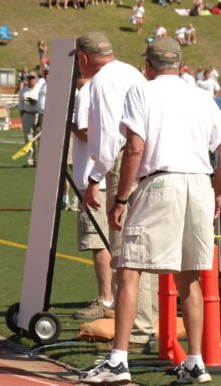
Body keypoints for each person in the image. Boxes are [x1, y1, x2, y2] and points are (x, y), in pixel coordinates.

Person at [81, 38, 221, 384]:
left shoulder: (143, 91)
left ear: (148, 66)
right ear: (181, 66)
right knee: (190, 276)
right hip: (198, 182)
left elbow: (135, 147)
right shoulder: (201, 96)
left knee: (130, 270)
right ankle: (196, 362)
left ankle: (118, 360)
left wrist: (120, 199)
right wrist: (214, 193)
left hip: (161, 182)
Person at [76, 32, 158, 352]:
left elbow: (111, 136)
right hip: (145, 159)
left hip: (124, 161)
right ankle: (145, 322)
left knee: (124, 250)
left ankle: (136, 328)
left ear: (84, 58)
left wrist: (95, 178)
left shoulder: (101, 83)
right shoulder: (130, 72)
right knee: (140, 248)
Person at [71, 76, 114, 321]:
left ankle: (106, 298)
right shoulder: (117, 83)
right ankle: (115, 297)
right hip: (113, 176)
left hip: (95, 178)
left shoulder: (88, 89)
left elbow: (87, 132)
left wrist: (69, 126)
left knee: (99, 240)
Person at [18, 73, 40, 167]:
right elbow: (20, 104)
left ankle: (40, 161)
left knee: (40, 139)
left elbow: (43, 102)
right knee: (28, 138)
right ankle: (30, 161)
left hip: (38, 114)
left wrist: (35, 102)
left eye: (33, 78)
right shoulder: (23, 90)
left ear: (36, 79)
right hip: (27, 115)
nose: (31, 80)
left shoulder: (40, 89)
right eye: (29, 78)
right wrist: (22, 115)